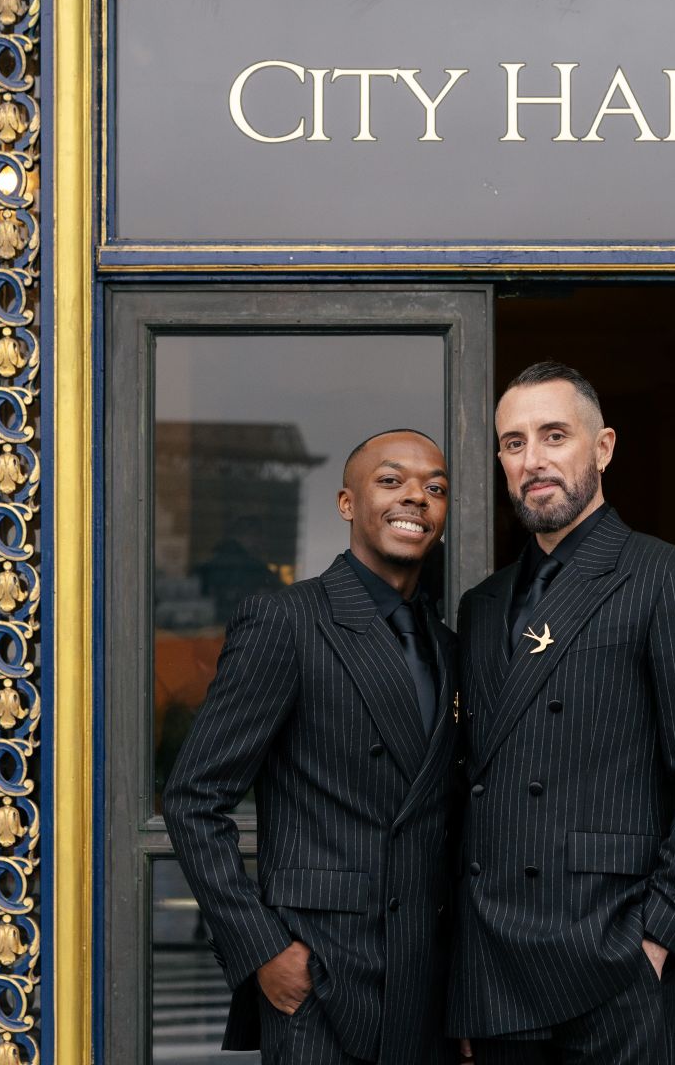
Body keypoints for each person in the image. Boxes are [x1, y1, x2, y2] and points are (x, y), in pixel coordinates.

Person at [448, 362, 675, 1065]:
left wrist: (660, 938)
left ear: (603, 447)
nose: (534, 460)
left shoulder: (669, 576)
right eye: (514, 443)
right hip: (494, 964)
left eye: (555, 436)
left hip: (613, 953)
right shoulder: (482, 605)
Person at [164, 429, 461, 1065]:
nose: (417, 498)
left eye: (435, 489)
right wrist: (264, 950)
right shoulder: (287, 621)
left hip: (426, 987)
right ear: (347, 503)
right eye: (391, 481)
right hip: (321, 980)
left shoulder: (449, 645)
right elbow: (194, 799)